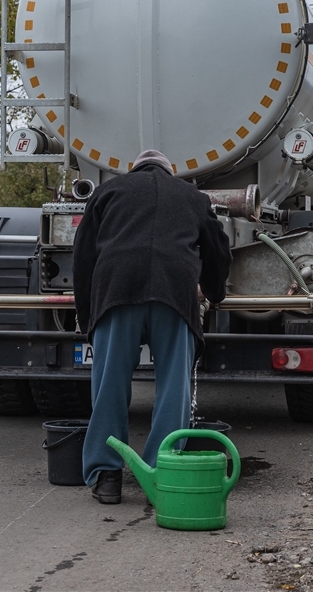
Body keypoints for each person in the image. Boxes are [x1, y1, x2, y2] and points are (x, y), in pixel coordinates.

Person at [73, 149, 232, 504]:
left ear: (135, 168)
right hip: (173, 293)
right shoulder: (192, 196)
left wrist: (88, 318)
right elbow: (218, 250)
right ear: (169, 170)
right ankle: (162, 474)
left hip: (116, 290)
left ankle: (106, 476)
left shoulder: (109, 191)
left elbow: (83, 257)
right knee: (174, 388)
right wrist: (214, 291)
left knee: (109, 384)